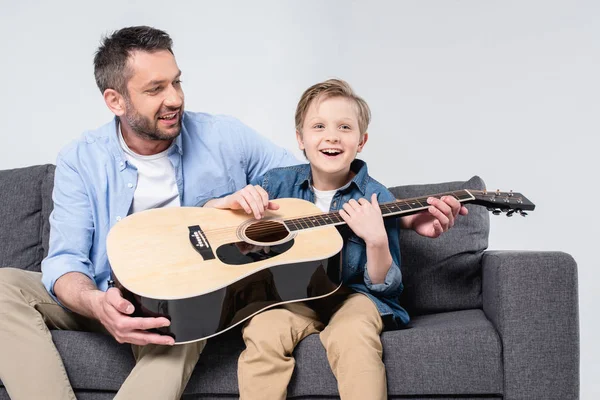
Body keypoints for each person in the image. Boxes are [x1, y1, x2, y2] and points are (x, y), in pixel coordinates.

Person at [0, 26, 297, 400]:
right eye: (155, 89)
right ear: (115, 100)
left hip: (182, 301)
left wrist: (235, 207)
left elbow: (306, 183)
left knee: (196, 305)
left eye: (176, 82)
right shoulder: (81, 159)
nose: (174, 99)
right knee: (2, 287)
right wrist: (97, 303)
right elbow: (65, 261)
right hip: (104, 294)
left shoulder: (225, 137)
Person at [206, 78, 468, 400]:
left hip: (354, 296)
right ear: (300, 139)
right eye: (319, 126)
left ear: (362, 141)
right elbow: (218, 225)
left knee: (352, 334)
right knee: (263, 329)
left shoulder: (376, 197)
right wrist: (236, 206)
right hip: (291, 298)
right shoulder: (276, 184)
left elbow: (386, 285)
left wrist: (376, 241)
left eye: (345, 127)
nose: (331, 136)